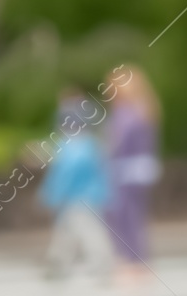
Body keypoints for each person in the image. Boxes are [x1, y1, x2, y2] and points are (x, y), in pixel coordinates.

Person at [39, 90, 114, 279]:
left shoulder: (70, 146)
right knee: (69, 230)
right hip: (89, 196)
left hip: (76, 198)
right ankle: (58, 263)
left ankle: (99, 263)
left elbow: (63, 175)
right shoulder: (91, 144)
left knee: (85, 231)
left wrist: (51, 195)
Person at [104, 65, 161, 281]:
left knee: (124, 217)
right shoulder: (145, 108)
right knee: (133, 216)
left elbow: (115, 144)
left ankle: (132, 262)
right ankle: (136, 261)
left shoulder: (126, 112)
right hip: (140, 170)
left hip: (125, 171)